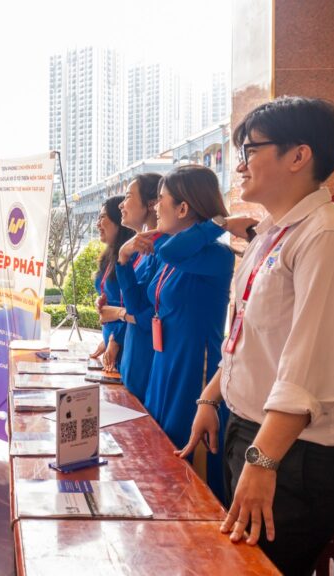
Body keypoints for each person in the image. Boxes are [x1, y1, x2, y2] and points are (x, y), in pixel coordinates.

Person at [177, 97, 334, 576]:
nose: (241, 164)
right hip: (256, 435)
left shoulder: (331, 239)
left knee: (255, 568)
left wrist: (263, 462)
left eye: (251, 150)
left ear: (298, 156)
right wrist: (211, 398)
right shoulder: (273, 234)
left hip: (299, 456)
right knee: (236, 561)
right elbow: (248, 337)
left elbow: (307, 369)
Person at [118, 165, 236, 499]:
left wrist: (219, 223)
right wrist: (124, 260)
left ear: (183, 208)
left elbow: (170, 249)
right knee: (161, 457)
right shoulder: (173, 257)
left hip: (193, 373)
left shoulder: (217, 255)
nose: (156, 207)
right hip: (163, 367)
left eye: (162, 200)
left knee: (190, 476)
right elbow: (139, 307)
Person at [114, 173, 163, 400]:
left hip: (147, 363)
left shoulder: (161, 250)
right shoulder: (140, 250)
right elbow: (133, 304)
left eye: (128, 196)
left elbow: (145, 313)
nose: (121, 204)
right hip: (131, 361)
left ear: (151, 204)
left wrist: (120, 314)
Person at [89, 195, 135, 371]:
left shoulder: (131, 256)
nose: (97, 224)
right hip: (111, 346)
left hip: (126, 345)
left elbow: (133, 307)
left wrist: (116, 339)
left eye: (102, 217)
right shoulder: (110, 255)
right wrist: (106, 339)